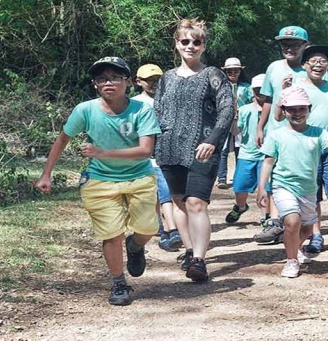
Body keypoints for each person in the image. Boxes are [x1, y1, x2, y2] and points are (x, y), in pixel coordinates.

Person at [34, 57, 160, 306]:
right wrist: (46, 174)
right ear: (95, 84)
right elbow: (62, 139)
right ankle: (119, 283)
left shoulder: (142, 110)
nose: (108, 82)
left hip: (139, 176)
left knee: (148, 228)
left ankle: (135, 246)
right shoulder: (85, 110)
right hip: (100, 179)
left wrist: (103, 152)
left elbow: (146, 150)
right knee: (111, 234)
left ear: (128, 82)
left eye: (115, 77)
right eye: (102, 79)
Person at [256, 86, 328, 278]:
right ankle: (291, 260)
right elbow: (268, 162)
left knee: (307, 229)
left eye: (302, 109)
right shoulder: (276, 135)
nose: (297, 113)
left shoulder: (318, 133)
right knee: (292, 221)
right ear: (284, 111)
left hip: (308, 188)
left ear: (309, 110)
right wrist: (261, 188)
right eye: (292, 109)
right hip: (283, 186)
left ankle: (294, 247)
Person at [154, 18, 235, 283]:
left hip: (203, 149)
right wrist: (152, 143)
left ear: (203, 45)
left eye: (196, 42)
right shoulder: (166, 78)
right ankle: (189, 251)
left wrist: (212, 140)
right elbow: (157, 111)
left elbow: (227, 110)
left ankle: (200, 260)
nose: (190, 46)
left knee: (196, 202)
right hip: (169, 148)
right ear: (176, 44)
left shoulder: (213, 74)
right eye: (185, 41)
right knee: (178, 201)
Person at [275, 45, 328, 254]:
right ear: (304, 65)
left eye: (323, 61)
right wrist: (283, 92)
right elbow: (278, 117)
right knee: (312, 192)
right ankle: (316, 234)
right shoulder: (295, 86)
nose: (318, 65)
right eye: (313, 61)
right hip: (307, 147)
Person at [253, 26, 310, 245]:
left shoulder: (310, 70)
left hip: (301, 133)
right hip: (276, 131)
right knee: (275, 175)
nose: (290, 48)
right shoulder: (274, 67)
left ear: (305, 46)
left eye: (295, 44)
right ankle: (275, 221)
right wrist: (260, 127)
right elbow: (268, 99)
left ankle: (303, 223)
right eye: (285, 44)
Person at [133, 64, 182, 252]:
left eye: (157, 80)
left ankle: (170, 230)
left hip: (167, 154)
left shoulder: (171, 100)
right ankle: (164, 230)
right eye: (149, 80)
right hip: (141, 156)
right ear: (138, 81)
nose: (154, 83)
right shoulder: (134, 104)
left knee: (166, 191)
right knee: (152, 195)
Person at [225, 74, 270, 225]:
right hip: (246, 154)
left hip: (266, 156)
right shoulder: (245, 110)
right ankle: (241, 206)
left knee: (266, 188)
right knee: (239, 186)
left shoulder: (274, 110)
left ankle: (266, 218)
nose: (260, 92)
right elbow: (235, 132)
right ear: (252, 90)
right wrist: (233, 119)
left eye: (262, 89)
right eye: (257, 89)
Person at [217, 57, 252, 188]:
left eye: (235, 70)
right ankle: (221, 178)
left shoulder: (247, 87)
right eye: (230, 71)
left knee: (240, 149)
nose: (233, 73)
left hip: (242, 121)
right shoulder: (220, 87)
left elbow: (252, 102)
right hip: (224, 120)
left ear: (240, 71)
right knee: (223, 149)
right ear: (225, 72)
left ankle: (239, 177)